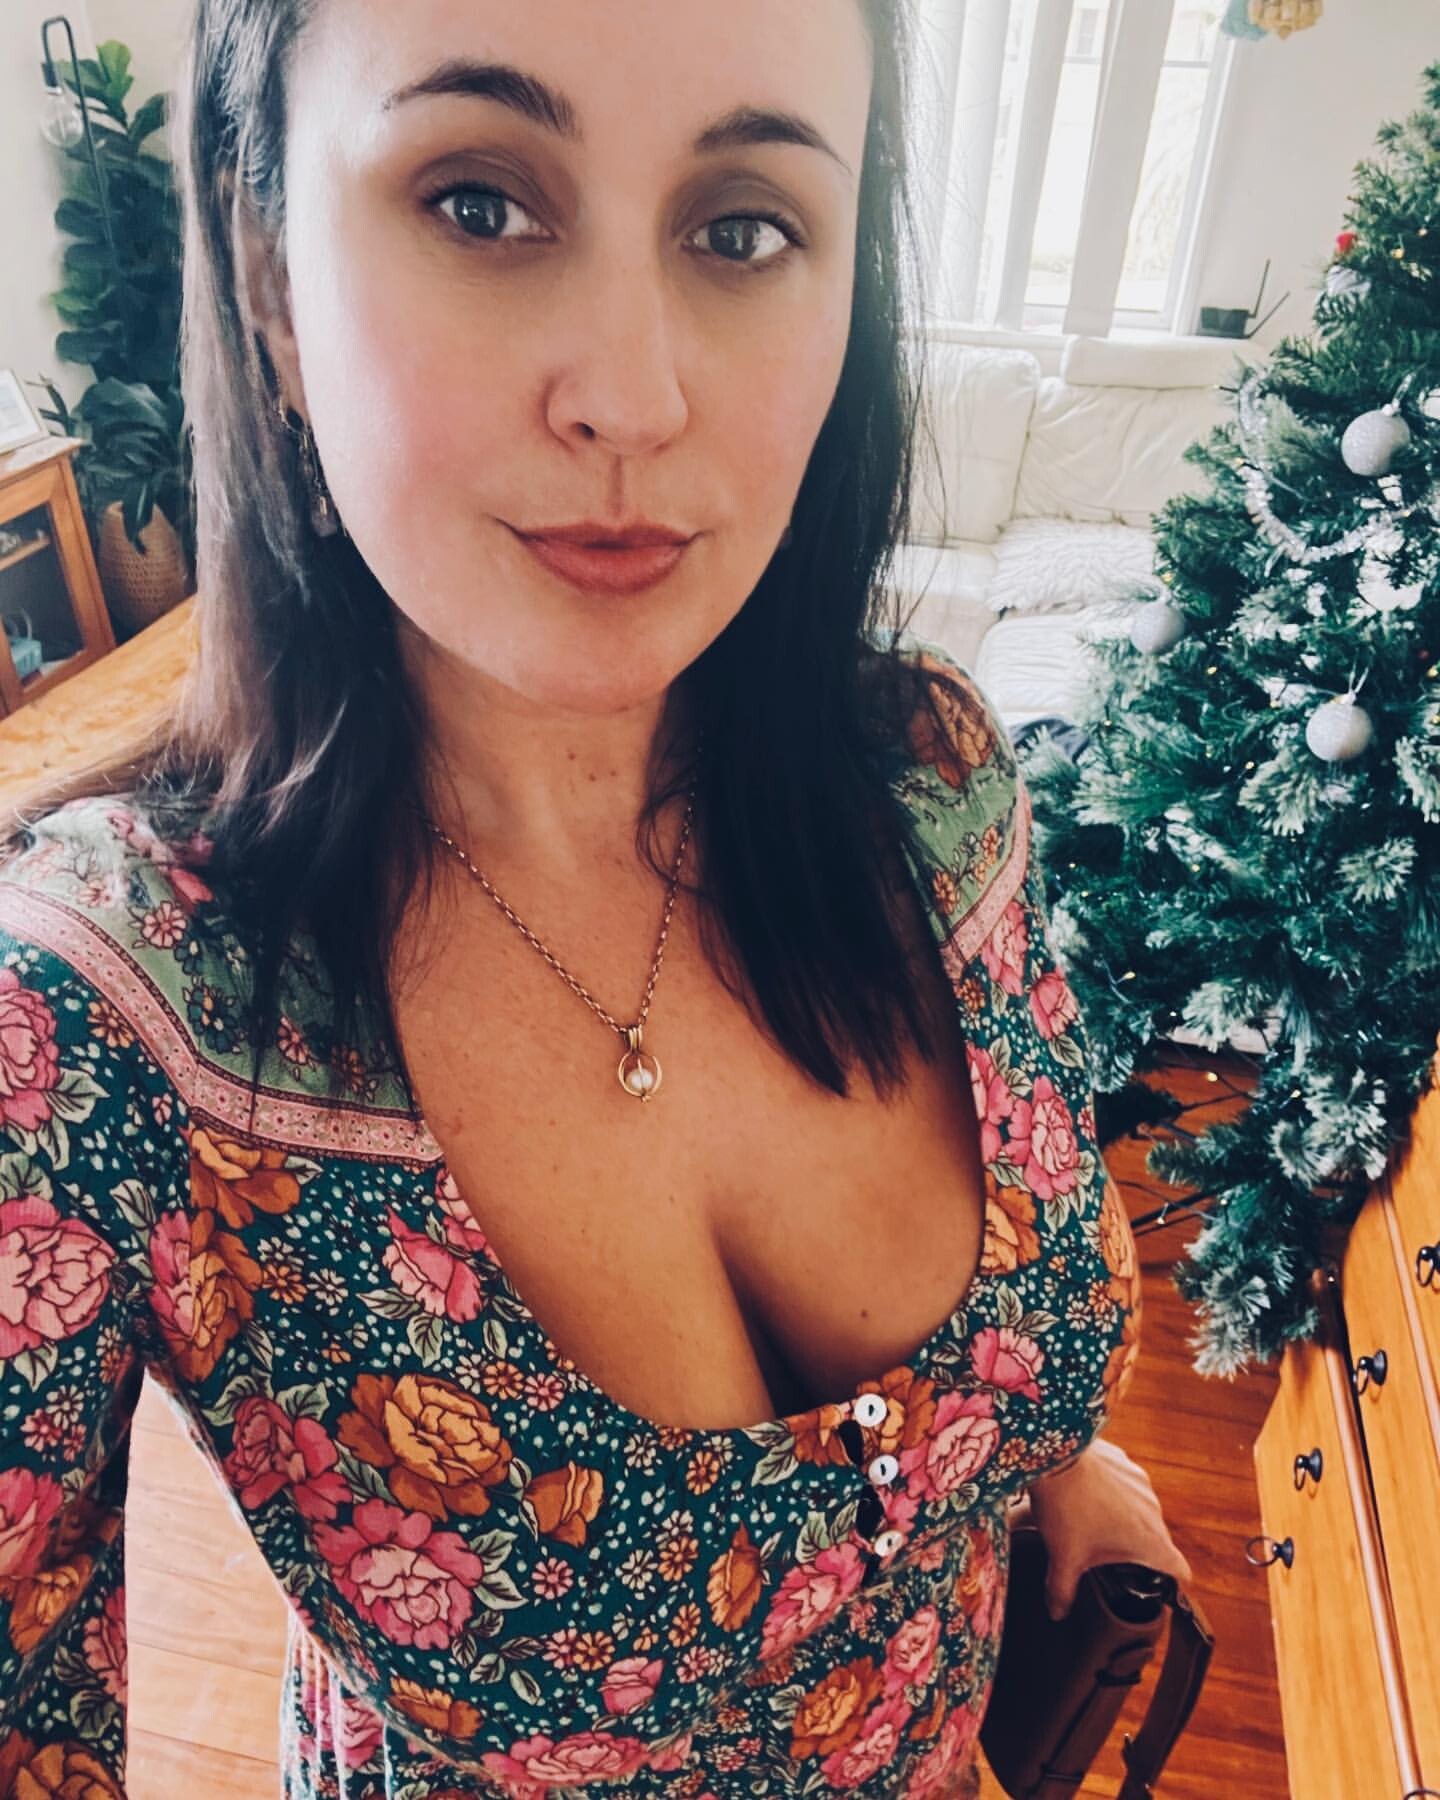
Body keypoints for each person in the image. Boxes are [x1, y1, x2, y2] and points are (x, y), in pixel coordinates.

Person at [0, 1, 1190, 1794]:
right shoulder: (88, 1032)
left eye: (744, 227)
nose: (633, 397)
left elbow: (1031, 1279)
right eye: (478, 201)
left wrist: (1048, 1464)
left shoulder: (933, 789)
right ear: (268, 278)